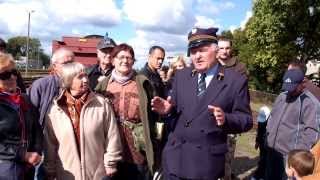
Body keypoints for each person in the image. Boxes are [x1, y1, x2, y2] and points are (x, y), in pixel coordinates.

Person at [151, 27, 253, 179]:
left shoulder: (235, 81)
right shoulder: (182, 76)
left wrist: (226, 119)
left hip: (205, 165)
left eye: (202, 50)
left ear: (216, 50)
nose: (197, 56)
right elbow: (176, 119)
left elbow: (246, 120)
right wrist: (168, 112)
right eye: (193, 52)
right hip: (175, 161)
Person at [43, 62, 122, 180]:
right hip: (67, 174)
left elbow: (112, 135)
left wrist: (110, 163)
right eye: (80, 77)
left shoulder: (101, 104)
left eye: (86, 75)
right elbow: (50, 143)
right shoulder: (55, 109)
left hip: (96, 172)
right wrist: (50, 169)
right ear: (69, 80)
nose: (85, 80)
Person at [95, 43, 160, 180]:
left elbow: (155, 115)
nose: (125, 61)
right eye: (121, 57)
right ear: (113, 60)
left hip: (137, 151)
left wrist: (155, 143)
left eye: (129, 58)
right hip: (110, 151)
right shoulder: (103, 86)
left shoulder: (143, 83)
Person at [27, 47, 75, 179]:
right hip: (44, 143)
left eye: (73, 63)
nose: (70, 67)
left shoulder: (80, 84)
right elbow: (30, 119)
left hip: (69, 143)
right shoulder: (41, 85)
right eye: (66, 64)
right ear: (55, 66)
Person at [265, 69, 320, 180]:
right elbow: (272, 118)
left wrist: (295, 158)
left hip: (289, 160)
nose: (290, 91)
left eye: (293, 88)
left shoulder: (310, 103)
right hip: (271, 152)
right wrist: (266, 139)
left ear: (302, 84)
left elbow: (312, 134)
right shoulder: (282, 96)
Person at [0, 53, 42, 179]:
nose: (12, 77)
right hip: (5, 167)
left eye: (14, 72)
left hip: (27, 165)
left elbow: (37, 128)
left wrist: (37, 151)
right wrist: (22, 155)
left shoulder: (24, 99)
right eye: (5, 75)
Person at [217, 37, 248, 180]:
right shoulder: (211, 64)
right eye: (221, 48)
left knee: (227, 157)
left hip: (229, 117)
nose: (224, 51)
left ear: (231, 49)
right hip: (212, 117)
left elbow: (236, 93)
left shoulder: (239, 67)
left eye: (227, 48)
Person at [252, 106, 271, 180]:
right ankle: (258, 174)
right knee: (262, 159)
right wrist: (257, 141)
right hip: (262, 143)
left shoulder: (272, 121)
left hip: (269, 144)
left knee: (266, 161)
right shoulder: (261, 122)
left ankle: (262, 175)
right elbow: (259, 132)